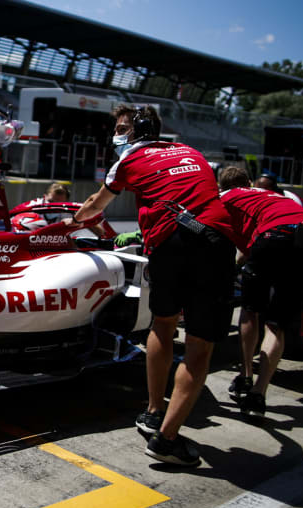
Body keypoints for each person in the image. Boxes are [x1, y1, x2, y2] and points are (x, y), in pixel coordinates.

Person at [70, 104, 236, 467]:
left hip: (166, 245)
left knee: (163, 324)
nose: (117, 134)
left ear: (137, 130)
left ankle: (154, 413)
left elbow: (95, 206)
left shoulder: (127, 160)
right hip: (210, 240)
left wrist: (74, 220)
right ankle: (166, 436)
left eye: (121, 128)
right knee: (199, 345)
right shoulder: (192, 152)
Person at [218, 167, 303, 418]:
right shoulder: (276, 196)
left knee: (251, 310)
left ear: (223, 186)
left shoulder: (226, 196)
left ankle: (245, 375)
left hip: (274, 235)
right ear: (249, 182)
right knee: (276, 325)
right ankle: (258, 395)